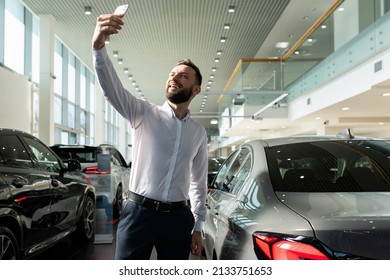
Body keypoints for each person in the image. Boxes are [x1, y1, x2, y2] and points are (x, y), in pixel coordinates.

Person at [92, 12, 208, 260]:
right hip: (138, 214)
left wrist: (197, 225)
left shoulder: (198, 132)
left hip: (179, 218)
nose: (174, 77)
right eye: (172, 73)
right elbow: (111, 88)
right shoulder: (143, 113)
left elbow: (198, 183)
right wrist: (99, 47)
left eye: (183, 75)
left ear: (195, 89)